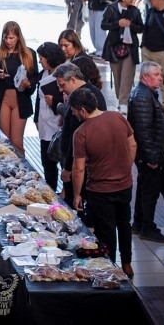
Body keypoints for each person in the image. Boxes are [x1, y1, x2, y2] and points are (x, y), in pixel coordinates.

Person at [70, 88, 136, 277]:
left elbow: (79, 168)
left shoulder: (81, 133)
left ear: (82, 110)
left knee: (105, 231)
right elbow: (132, 144)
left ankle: (110, 268)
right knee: (124, 224)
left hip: (100, 191)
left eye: (74, 111)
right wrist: (125, 166)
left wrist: (76, 194)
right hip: (125, 185)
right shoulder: (117, 117)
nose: (74, 115)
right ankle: (127, 263)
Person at [128, 61, 164, 244]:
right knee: (149, 191)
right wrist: (153, 157)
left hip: (149, 154)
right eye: (156, 75)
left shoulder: (146, 94)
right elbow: (143, 130)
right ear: (145, 77)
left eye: (160, 74)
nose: (161, 78)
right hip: (149, 156)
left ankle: (139, 223)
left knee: (145, 189)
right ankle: (147, 226)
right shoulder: (141, 97)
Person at [53, 63, 106, 210]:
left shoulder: (83, 97)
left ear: (73, 80)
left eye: (62, 85)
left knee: (76, 204)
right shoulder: (88, 93)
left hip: (82, 166)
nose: (61, 89)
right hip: (79, 164)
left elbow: (76, 139)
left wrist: (68, 167)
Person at [0, 21, 38, 156]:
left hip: (20, 100)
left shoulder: (29, 54)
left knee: (17, 141)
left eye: (11, 38)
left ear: (18, 38)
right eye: (5, 37)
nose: (8, 41)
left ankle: (22, 171)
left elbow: (35, 77)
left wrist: (28, 83)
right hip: (3, 97)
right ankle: (6, 168)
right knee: (5, 140)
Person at [102, 0, 144, 115]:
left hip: (130, 48)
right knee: (117, 76)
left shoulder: (135, 11)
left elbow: (141, 28)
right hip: (114, 47)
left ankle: (124, 102)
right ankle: (121, 100)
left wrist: (131, 25)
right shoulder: (111, 9)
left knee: (127, 75)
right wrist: (117, 24)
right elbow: (103, 25)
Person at [34, 42, 66, 190]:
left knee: (62, 160)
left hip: (57, 124)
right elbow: (38, 99)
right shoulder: (43, 74)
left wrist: (55, 102)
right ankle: (50, 190)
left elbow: (69, 100)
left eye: (41, 57)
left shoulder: (64, 73)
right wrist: (35, 119)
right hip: (44, 123)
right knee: (47, 161)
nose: (40, 60)